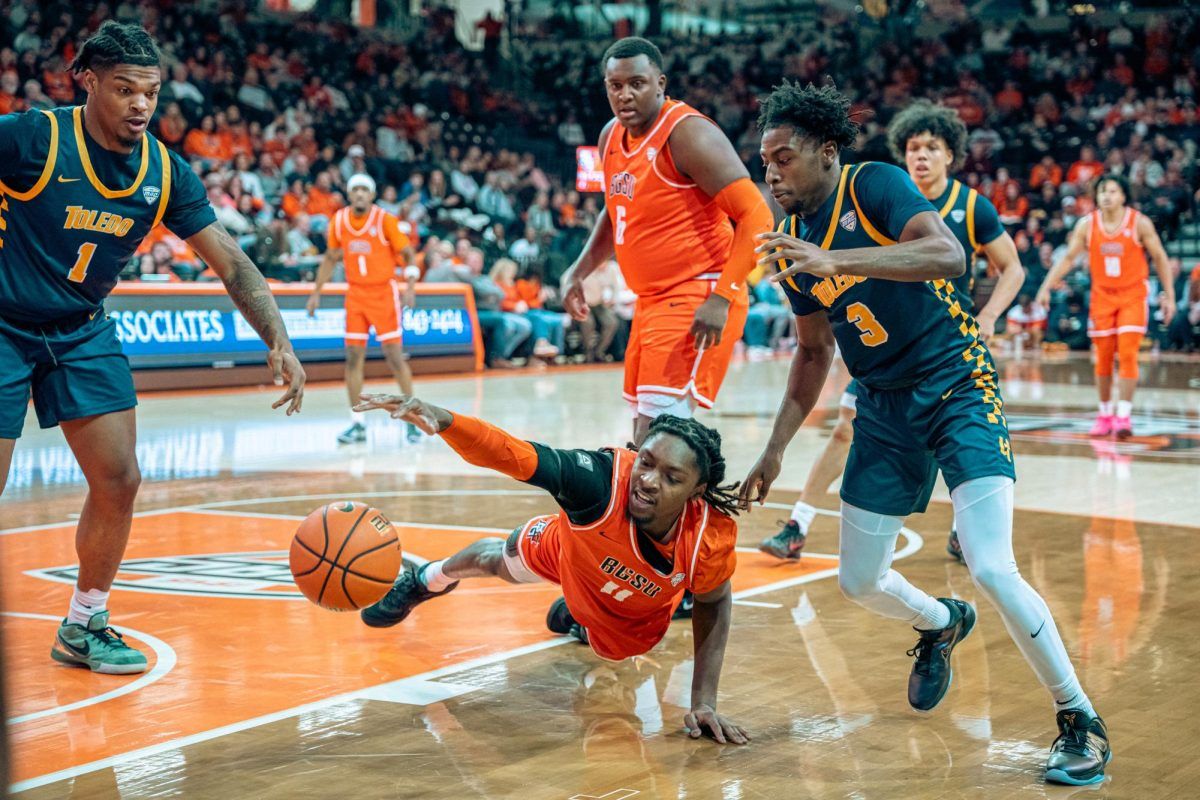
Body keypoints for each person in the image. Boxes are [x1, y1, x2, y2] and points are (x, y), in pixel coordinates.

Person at [744, 82, 1108, 785]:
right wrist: (774, 449)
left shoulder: (872, 184)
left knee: (993, 563)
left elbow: (949, 256)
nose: (772, 173)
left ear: (825, 152)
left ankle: (1078, 718)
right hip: (880, 405)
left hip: (955, 381)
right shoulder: (792, 243)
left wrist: (840, 263)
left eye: (783, 158)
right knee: (857, 581)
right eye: (764, 163)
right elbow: (814, 352)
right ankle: (942, 621)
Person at [0, 22, 306, 675]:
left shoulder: (165, 173)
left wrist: (277, 338)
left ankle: (84, 624)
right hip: (2, 322)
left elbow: (231, 262)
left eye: (151, 92)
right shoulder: (35, 137)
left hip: (80, 325)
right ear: (87, 82)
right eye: (124, 89)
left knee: (119, 479)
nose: (140, 104)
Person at [355, 392, 748, 745]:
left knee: (617, 653)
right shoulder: (598, 481)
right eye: (646, 462)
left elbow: (714, 602)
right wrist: (446, 420)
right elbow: (515, 453)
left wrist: (704, 701)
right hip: (569, 550)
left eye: (671, 477)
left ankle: (578, 614)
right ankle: (427, 580)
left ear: (696, 492)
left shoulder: (706, 539)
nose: (647, 481)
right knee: (496, 556)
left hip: (629, 615)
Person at [761, 99, 1024, 565]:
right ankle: (799, 520)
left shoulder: (964, 205)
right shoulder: (875, 191)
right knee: (845, 431)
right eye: (912, 147)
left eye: (931, 147)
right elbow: (812, 349)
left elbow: (1007, 269)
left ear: (950, 155)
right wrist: (775, 447)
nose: (920, 155)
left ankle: (970, 527)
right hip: (877, 361)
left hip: (942, 347)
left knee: (961, 455)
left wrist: (989, 316)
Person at [560, 37, 773, 447]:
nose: (625, 94)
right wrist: (578, 270)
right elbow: (615, 212)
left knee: (657, 437)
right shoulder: (609, 137)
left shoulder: (688, 134)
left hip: (699, 290)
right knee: (646, 432)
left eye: (636, 83)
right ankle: (683, 509)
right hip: (651, 300)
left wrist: (722, 296)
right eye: (615, 85)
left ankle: (685, 511)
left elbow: (756, 214)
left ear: (660, 83)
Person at [1035, 174, 1175, 438]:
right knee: (1103, 358)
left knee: (1128, 353)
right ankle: (1104, 413)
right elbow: (1067, 259)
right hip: (1102, 298)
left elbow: (1160, 257)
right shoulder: (1087, 225)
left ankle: (1123, 415)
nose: (1106, 196)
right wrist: (1045, 288)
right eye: (1102, 192)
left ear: (1123, 196)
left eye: (1112, 191)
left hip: (1132, 295)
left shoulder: (1139, 223)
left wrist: (1169, 295)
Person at [307, 173, 420, 444]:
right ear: (349, 194)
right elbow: (331, 257)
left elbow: (407, 254)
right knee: (353, 358)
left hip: (384, 292)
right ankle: (357, 423)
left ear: (371, 195)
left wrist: (411, 285)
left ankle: (412, 419)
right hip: (356, 294)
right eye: (355, 189)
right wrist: (316, 292)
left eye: (364, 190)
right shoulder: (340, 221)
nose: (359, 193)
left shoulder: (384, 220)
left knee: (394, 357)